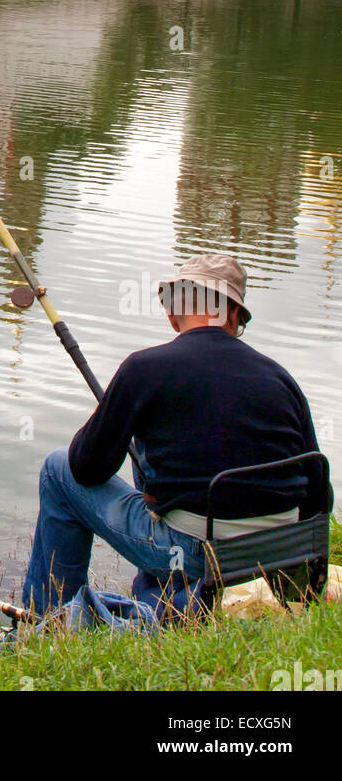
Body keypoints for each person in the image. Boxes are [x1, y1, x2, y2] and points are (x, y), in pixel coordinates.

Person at [20, 253, 323, 619]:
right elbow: (320, 494)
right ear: (233, 315)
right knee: (157, 467)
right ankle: (162, 599)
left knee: (57, 469)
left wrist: (110, 412)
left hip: (196, 554)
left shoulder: (144, 369)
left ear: (174, 312)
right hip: (280, 551)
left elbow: (85, 469)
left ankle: (49, 618)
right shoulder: (281, 378)